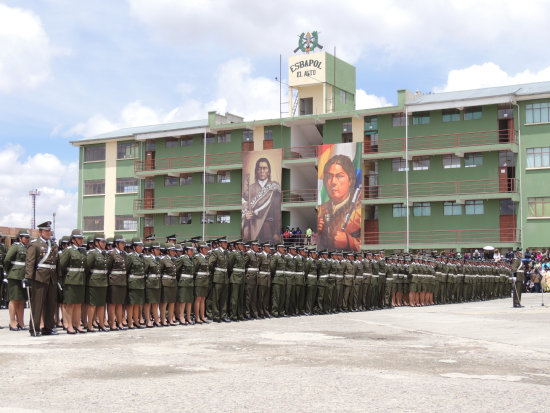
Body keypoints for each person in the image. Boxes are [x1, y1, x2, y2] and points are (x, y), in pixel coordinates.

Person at [317, 155, 361, 251]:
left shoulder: (359, 211)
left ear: (350, 180)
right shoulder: (320, 210)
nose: (333, 182)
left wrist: (350, 242)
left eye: (339, 176)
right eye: (329, 177)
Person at [24, 221, 61, 336]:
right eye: (46, 231)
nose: (48, 232)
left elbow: (57, 262)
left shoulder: (53, 245)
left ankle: (48, 328)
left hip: (51, 278)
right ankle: (34, 328)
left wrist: (59, 277)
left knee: (51, 304)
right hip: (39, 278)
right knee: (37, 304)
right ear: (40, 232)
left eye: (49, 230)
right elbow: (30, 262)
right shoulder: (34, 244)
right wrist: (28, 277)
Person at [242, 157, 282, 243]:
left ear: (269, 171)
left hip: (269, 227)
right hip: (254, 227)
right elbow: (244, 206)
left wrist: (276, 232)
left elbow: (277, 212)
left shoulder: (274, 187)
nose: (262, 171)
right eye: (259, 168)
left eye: (265, 168)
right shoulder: (250, 189)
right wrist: (246, 215)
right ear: (256, 171)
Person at [59, 229, 87, 334]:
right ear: (73, 239)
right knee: (70, 304)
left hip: (80, 280)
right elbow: (61, 266)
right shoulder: (68, 251)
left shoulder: (83, 251)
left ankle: (77, 324)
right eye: (79, 238)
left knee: (78, 304)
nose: (81, 240)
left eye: (82, 238)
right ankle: (69, 325)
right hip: (70, 280)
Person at [4, 229, 31, 331]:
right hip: (15, 276)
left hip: (24, 276)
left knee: (22, 300)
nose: (27, 239)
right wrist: (10, 271)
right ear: (20, 238)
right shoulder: (16, 246)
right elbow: (7, 259)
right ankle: (12, 321)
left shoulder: (28, 247)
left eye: (28, 238)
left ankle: (21, 321)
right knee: (14, 299)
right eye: (26, 237)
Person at [85, 233, 109, 332]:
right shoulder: (92, 253)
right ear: (96, 243)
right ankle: (89, 325)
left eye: (104, 242)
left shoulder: (105, 253)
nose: (104, 243)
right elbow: (87, 267)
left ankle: (101, 324)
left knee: (101, 304)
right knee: (92, 305)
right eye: (102, 242)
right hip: (94, 281)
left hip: (103, 281)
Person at [107, 234, 128, 330]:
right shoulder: (111, 254)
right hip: (114, 282)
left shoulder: (124, 254)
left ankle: (119, 322)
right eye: (122, 243)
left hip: (122, 281)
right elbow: (108, 268)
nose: (123, 245)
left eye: (124, 243)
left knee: (120, 303)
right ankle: (112, 323)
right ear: (116, 244)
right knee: (112, 303)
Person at [126, 237, 146, 329]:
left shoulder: (141, 256)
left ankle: (136, 321)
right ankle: (130, 322)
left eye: (142, 246)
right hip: (133, 283)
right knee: (132, 304)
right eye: (139, 246)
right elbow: (127, 269)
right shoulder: (130, 257)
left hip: (140, 283)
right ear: (134, 247)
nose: (141, 247)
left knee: (137, 303)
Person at [176, 242, 195, 325]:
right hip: (183, 282)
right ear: (186, 251)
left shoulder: (192, 259)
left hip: (190, 282)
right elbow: (175, 269)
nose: (192, 251)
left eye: (192, 250)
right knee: (183, 301)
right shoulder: (182, 258)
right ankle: (181, 317)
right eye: (191, 250)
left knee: (189, 300)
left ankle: (188, 317)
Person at [192, 242, 210, 324]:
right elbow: (194, 270)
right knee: (198, 298)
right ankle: (197, 317)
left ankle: (202, 316)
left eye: (207, 248)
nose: (207, 250)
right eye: (205, 248)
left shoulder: (206, 258)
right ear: (200, 249)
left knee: (203, 299)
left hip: (205, 280)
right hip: (199, 280)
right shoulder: (197, 258)